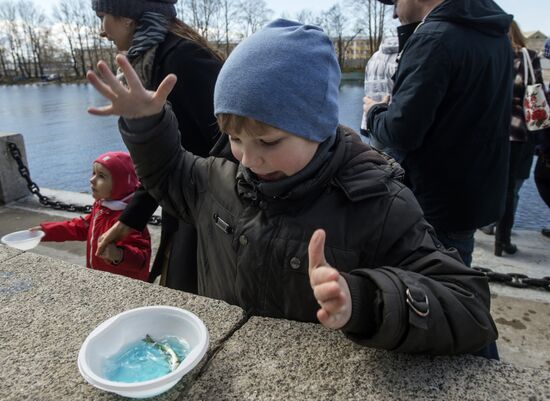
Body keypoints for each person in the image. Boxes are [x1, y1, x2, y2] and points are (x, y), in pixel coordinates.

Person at [86, 20, 498, 356]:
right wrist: (146, 125)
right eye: (234, 138)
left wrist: (364, 301)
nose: (248, 159)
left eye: (268, 142)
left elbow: (469, 306)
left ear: (317, 127)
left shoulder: (378, 204)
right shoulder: (219, 180)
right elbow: (170, 174)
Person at [363, 0, 513, 267]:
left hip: (434, 202)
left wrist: (375, 111)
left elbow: (401, 132)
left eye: (396, 2)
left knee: (433, 291)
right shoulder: (493, 32)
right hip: (473, 194)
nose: (395, 12)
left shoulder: (435, 38)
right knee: (456, 279)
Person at [91, 0, 223, 291]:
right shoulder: (155, 59)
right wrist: (131, 219)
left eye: (103, 17)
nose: (102, 31)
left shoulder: (183, 59)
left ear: (128, 17)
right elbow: (166, 160)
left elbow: (230, 143)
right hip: (190, 209)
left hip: (209, 218)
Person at [32, 152, 151, 281]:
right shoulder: (102, 208)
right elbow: (79, 227)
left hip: (123, 287)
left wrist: (118, 254)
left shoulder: (130, 220)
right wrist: (45, 232)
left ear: (121, 183)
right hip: (100, 279)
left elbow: (142, 261)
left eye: (101, 176)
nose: (92, 179)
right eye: (93, 173)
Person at [494, 21, 546, 256]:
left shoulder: (492, 54)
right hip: (519, 132)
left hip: (491, 132)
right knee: (510, 187)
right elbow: (537, 93)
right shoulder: (528, 56)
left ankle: (486, 226)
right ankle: (503, 239)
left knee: (489, 182)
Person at [359, 35, 399, 139]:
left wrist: (365, 122)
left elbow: (367, 88)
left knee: (375, 153)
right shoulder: (403, 57)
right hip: (390, 125)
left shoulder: (374, 57)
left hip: (371, 120)